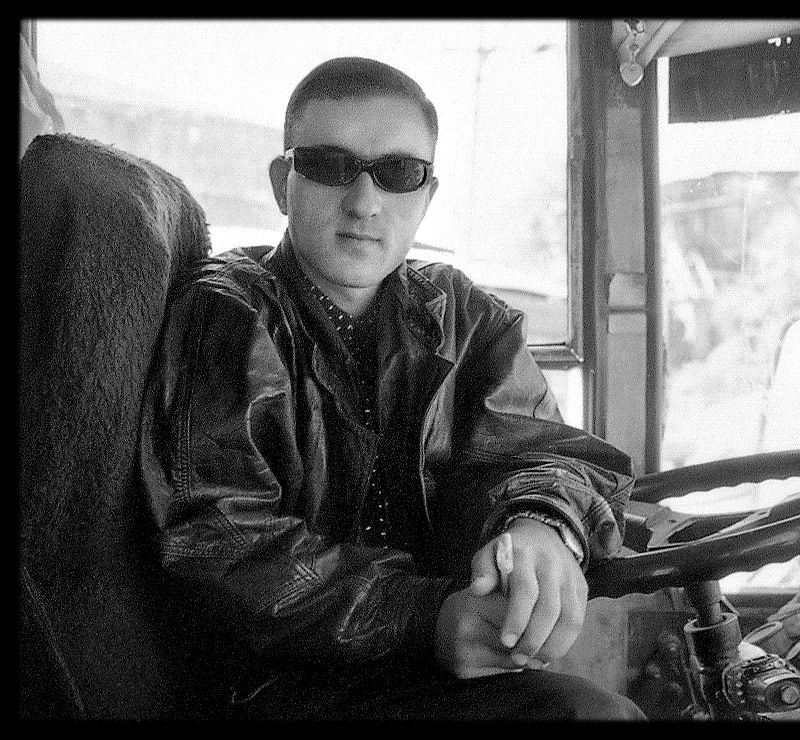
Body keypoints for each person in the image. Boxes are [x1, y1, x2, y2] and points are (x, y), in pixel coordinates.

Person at [138, 56, 645, 720]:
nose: (365, 202)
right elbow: (219, 539)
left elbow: (550, 454)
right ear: (281, 181)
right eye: (328, 166)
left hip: (440, 666)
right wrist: (426, 616)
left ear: (427, 195)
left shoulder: (464, 316)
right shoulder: (228, 314)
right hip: (275, 684)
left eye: (399, 173)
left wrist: (543, 524)